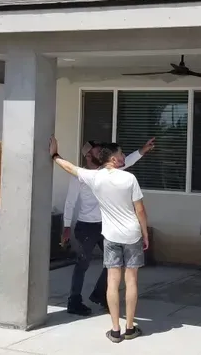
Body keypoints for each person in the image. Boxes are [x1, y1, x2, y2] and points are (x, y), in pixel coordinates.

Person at [49, 137, 149, 343]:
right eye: (94, 151)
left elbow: (124, 162)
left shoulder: (100, 176)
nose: (97, 153)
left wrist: (142, 150)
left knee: (112, 274)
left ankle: (106, 311)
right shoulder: (89, 177)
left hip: (108, 231)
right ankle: (76, 301)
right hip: (95, 228)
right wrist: (67, 226)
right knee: (89, 267)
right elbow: (70, 201)